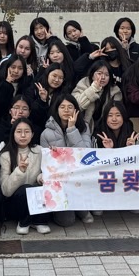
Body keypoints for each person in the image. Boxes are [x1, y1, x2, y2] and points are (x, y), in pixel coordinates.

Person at [41, 96, 93, 227]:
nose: (66, 110)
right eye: (62, 107)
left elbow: (85, 153)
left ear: (76, 110)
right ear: (56, 109)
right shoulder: (46, 133)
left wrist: (71, 130)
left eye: (70, 107)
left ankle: (81, 206)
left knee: (87, 216)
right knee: (67, 221)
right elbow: (45, 163)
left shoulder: (84, 127)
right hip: (59, 180)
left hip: (79, 175)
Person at [0, 118, 49, 235]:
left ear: (32, 134)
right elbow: (5, 190)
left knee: (44, 187)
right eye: (19, 131)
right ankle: (24, 222)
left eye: (27, 132)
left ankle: (39, 221)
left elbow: (46, 171)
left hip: (37, 199)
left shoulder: (40, 151)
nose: (23, 135)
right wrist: (19, 171)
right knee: (26, 188)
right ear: (13, 134)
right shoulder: (6, 154)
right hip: (15, 201)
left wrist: (41, 177)